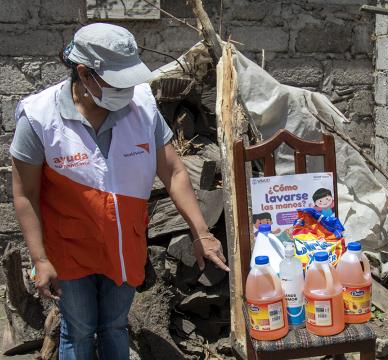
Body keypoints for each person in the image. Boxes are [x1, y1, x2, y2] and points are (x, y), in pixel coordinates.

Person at [10, 23, 229, 360]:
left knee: (114, 325)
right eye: (118, 80)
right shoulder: (39, 117)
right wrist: (39, 259)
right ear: (85, 73)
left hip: (125, 244)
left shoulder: (142, 106)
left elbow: (172, 170)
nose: (128, 89)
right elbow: (24, 194)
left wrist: (201, 231)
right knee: (79, 329)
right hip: (69, 248)